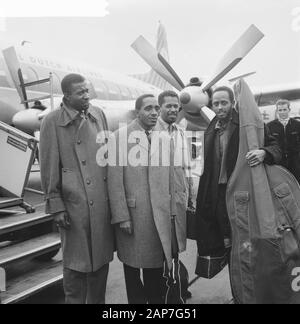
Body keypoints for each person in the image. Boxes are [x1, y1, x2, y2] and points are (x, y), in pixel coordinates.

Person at [194, 86, 281, 288]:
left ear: (232, 103)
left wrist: (264, 153)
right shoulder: (212, 127)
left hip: (242, 194)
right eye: (215, 103)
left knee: (246, 244)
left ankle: (249, 292)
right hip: (218, 195)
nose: (219, 107)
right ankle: (239, 291)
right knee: (226, 244)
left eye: (224, 102)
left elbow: (275, 147)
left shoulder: (246, 125)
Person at [40, 73, 114, 304]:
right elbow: (48, 167)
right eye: (80, 92)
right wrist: (56, 206)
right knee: (75, 266)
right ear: (67, 96)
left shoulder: (98, 114)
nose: (86, 95)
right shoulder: (51, 121)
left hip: (101, 203)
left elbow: (107, 157)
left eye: (87, 90)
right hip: (74, 206)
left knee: (101, 263)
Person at [156, 90, 194, 301]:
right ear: (160, 107)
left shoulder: (179, 131)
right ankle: (171, 292)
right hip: (160, 203)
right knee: (163, 249)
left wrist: (190, 195)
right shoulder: (150, 132)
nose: (172, 109)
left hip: (178, 200)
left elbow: (187, 166)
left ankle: (178, 286)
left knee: (175, 247)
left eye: (175, 106)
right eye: (168, 106)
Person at [267, 99, 300, 183]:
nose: (282, 112)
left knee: (297, 183)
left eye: (284, 109)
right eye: (280, 110)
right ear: (277, 111)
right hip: (279, 162)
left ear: (289, 110)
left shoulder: (297, 125)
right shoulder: (270, 126)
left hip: (295, 161)